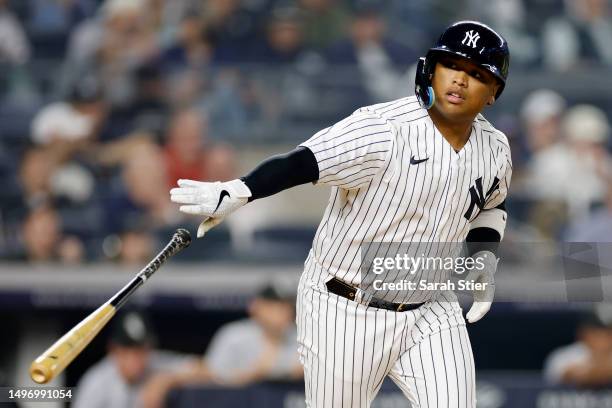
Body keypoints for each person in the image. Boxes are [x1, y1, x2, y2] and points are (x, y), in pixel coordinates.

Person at [170, 21, 512, 407]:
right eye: (451, 66)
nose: (460, 81)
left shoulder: (495, 148)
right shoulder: (383, 129)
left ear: (493, 93)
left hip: (431, 306)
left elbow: (491, 204)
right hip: (345, 305)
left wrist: (483, 260)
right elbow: (303, 162)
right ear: (430, 69)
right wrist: (242, 189)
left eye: (476, 74)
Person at [139, 285, 302, 408]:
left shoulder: (303, 337)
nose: (282, 312)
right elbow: (210, 375)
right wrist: (250, 376)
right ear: (256, 306)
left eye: (286, 306)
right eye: (274, 305)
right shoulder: (234, 335)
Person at [73, 310, 195, 408]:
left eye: (140, 351)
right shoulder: (97, 382)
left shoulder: (155, 364)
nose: (135, 360)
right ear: (113, 350)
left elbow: (207, 369)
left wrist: (165, 380)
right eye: (128, 351)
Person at [544, 310, 612, 387]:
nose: (603, 339)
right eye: (596, 333)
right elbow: (568, 375)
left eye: (607, 334)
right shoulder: (563, 356)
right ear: (583, 334)